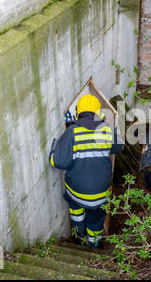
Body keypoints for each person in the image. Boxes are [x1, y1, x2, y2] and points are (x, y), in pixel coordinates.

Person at [49, 94, 124, 248]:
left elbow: (57, 162)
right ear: (99, 114)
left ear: (78, 112)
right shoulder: (106, 131)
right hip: (100, 194)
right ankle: (94, 246)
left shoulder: (72, 132)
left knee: (76, 214)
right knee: (96, 220)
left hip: (76, 193)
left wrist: (54, 147)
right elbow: (119, 146)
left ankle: (77, 239)